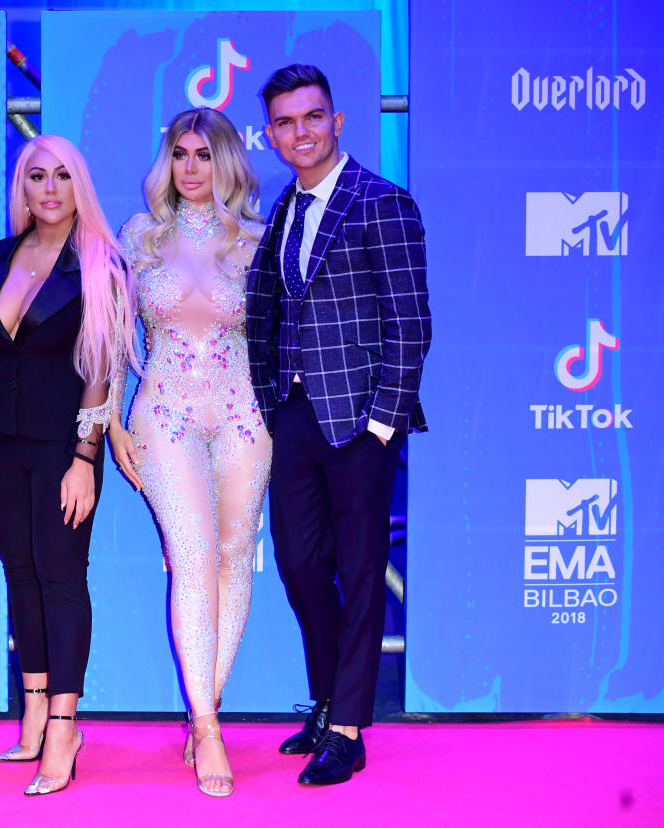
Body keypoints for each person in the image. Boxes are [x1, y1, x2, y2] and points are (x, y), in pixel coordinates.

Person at [247, 64, 431, 786]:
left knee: (360, 574)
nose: (301, 132)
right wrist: (269, 403)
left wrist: (384, 423)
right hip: (293, 415)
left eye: (312, 117)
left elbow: (411, 325)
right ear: (272, 133)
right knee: (298, 566)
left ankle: (349, 728)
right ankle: (329, 700)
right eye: (286, 122)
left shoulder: (381, 202)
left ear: (338, 121)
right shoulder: (284, 209)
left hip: (362, 422)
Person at [109, 108, 271, 798]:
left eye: (205, 154)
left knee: (236, 557)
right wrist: (107, 420)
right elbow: (117, 336)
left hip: (245, 415)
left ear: (227, 161)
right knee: (194, 557)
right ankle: (207, 727)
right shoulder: (139, 237)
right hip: (164, 416)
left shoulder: (260, 241)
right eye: (180, 154)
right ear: (167, 162)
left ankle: (208, 703)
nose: (192, 168)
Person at [0, 135, 135, 797]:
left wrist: (83, 459)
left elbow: (102, 369)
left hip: (60, 443)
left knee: (61, 577)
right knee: (20, 573)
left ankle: (65, 725)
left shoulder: (101, 265)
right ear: (23, 186)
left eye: (63, 175)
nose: (49, 187)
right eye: (36, 175)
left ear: (79, 186)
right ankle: (33, 712)